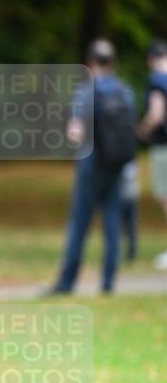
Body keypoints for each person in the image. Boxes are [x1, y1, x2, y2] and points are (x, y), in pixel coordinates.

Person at [48, 39, 137, 295]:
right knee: (111, 222)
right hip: (117, 165)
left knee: (79, 224)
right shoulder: (125, 91)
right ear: (114, 63)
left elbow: (75, 131)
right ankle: (108, 283)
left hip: (90, 165)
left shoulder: (87, 91)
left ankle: (67, 282)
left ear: (89, 62)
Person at [138, 39, 167, 270]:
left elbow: (156, 114)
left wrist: (142, 130)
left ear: (151, 59)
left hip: (163, 146)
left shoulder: (157, 80)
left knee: (165, 196)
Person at [119, 159, 140, 262]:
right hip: (126, 196)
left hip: (129, 197)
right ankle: (122, 251)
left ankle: (131, 252)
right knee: (123, 226)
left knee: (130, 226)